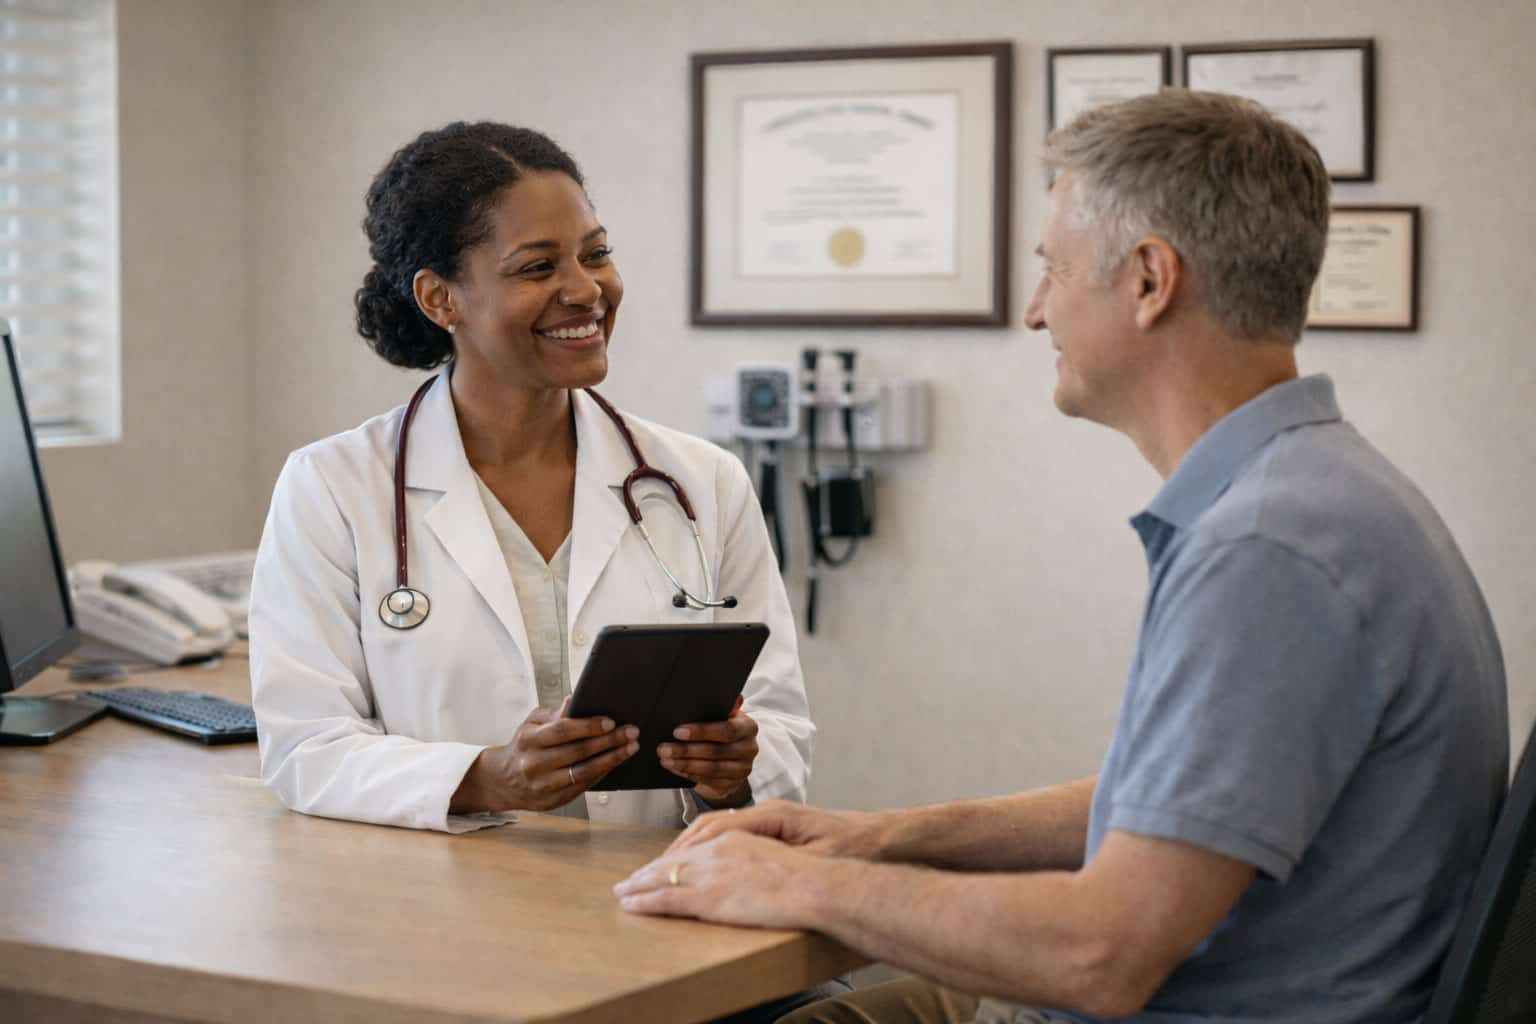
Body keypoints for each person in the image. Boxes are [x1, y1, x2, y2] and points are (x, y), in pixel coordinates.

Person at [614, 90, 1510, 1024]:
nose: (1037, 311)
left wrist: (799, 889)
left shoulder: (1269, 551)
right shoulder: (1318, 492)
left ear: (1150, 281)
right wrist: (870, 841)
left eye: (1053, 269)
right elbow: (1168, 804)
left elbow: (1099, 953)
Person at [248, 122, 814, 835]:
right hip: (445, 910)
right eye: (538, 268)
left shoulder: (703, 482)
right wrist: (489, 777)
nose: (586, 291)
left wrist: (731, 772)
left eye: (595, 254)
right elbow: (307, 750)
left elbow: (782, 731)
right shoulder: (333, 488)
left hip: (658, 899)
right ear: (440, 299)